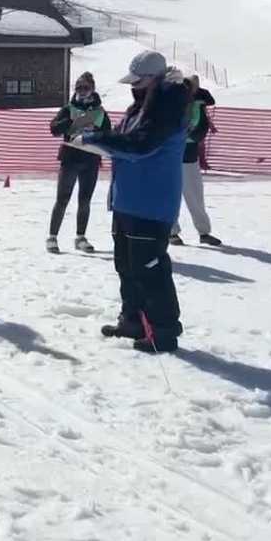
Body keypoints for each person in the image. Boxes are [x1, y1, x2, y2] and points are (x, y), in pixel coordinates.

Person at [81, 51, 189, 353]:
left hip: (151, 204)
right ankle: (133, 319)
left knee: (150, 269)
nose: (134, 88)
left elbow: (140, 146)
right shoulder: (141, 106)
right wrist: (101, 137)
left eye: (139, 82)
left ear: (155, 79)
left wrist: (97, 141)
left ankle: (163, 330)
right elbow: (125, 138)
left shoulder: (167, 107)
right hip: (127, 200)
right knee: (126, 267)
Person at [47, 72, 110, 254]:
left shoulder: (99, 111)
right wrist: (71, 121)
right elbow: (54, 128)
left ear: (92, 89)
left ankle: (80, 237)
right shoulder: (68, 108)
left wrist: (96, 130)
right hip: (70, 158)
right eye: (78, 88)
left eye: (85, 88)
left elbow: (108, 133)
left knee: (85, 200)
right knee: (62, 198)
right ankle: (52, 236)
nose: (82, 91)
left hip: (90, 159)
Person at [171, 75, 221, 247]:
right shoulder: (173, 104)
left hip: (189, 157)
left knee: (195, 197)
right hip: (173, 157)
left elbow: (201, 129)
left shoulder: (198, 103)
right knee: (172, 196)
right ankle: (172, 232)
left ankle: (204, 232)